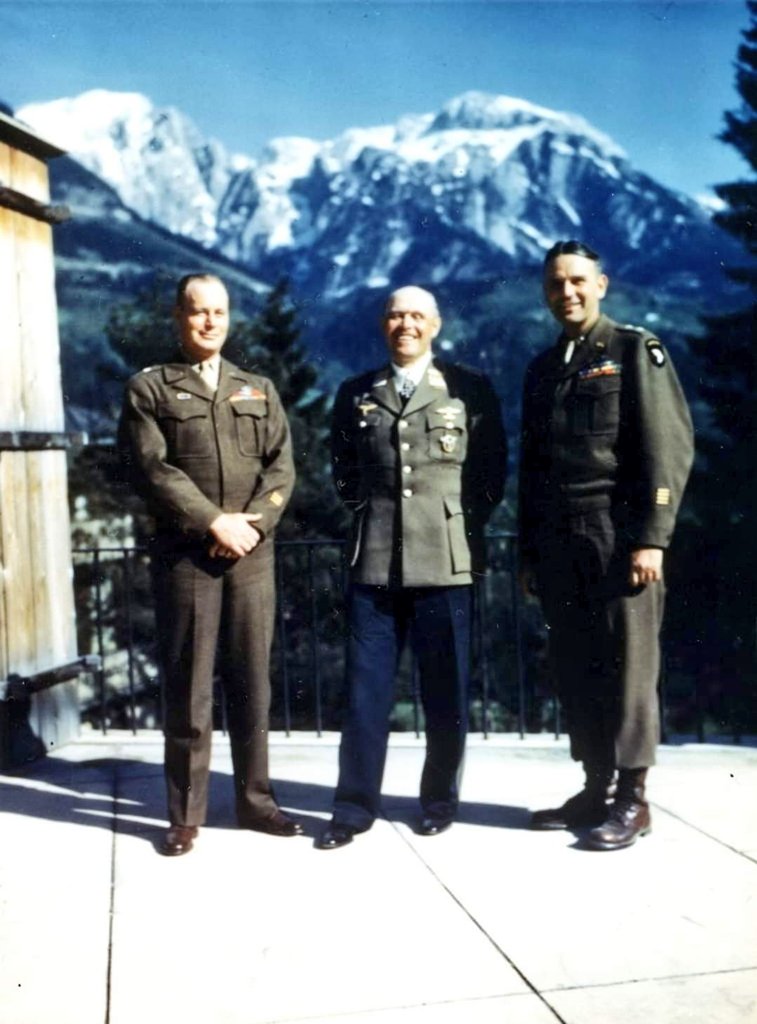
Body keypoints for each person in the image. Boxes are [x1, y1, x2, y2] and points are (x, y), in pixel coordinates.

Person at [317, 285, 507, 849]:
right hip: (373, 561)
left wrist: (452, 524)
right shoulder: (356, 392)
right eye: (396, 315)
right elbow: (343, 472)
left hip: (446, 562)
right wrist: (373, 517)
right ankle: (352, 809)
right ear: (383, 324)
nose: (406, 324)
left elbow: (490, 473)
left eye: (417, 316)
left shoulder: (469, 389)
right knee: (364, 693)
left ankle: (439, 801)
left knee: (445, 691)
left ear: (436, 325)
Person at [519, 240, 694, 850]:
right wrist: (529, 554)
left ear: (601, 285)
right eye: (554, 284)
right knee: (578, 667)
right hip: (561, 540)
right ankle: (595, 787)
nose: (566, 292)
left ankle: (633, 798)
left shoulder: (632, 350)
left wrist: (653, 537)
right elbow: (534, 472)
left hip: (618, 538)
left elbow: (668, 447)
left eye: (576, 281)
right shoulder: (545, 370)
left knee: (628, 669)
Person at [119, 273, 301, 856]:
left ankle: (256, 801)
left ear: (229, 318)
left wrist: (250, 525)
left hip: (251, 553)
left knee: (253, 682)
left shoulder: (258, 389)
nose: (209, 322)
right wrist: (212, 523)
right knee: (190, 686)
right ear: (179, 316)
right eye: (198, 312)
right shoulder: (150, 389)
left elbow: (281, 469)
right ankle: (185, 814)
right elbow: (154, 470)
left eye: (218, 313)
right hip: (187, 557)